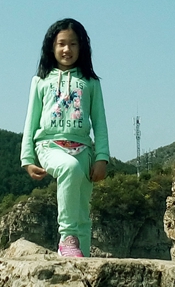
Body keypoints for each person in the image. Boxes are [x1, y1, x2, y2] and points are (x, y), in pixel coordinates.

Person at [20, 19, 109, 258]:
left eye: (73, 44)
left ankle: (81, 260)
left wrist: (102, 157)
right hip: (49, 145)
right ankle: (67, 239)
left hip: (83, 149)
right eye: (61, 44)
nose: (67, 49)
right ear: (51, 47)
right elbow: (30, 121)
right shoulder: (41, 81)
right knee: (69, 168)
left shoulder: (90, 82)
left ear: (82, 48)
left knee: (81, 210)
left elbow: (100, 122)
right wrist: (27, 159)